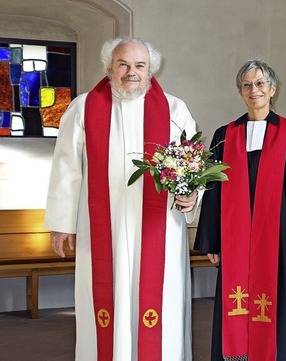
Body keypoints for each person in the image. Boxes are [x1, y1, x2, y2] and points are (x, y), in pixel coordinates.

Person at [45, 37, 199, 360]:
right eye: (123, 65)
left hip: (159, 230)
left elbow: (192, 164)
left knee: (160, 306)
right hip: (103, 229)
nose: (132, 72)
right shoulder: (83, 108)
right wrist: (61, 223)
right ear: (110, 67)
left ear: (150, 70)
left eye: (140, 66)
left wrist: (191, 195)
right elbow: (67, 168)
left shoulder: (174, 110)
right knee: (105, 305)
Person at [194, 59, 286, 361]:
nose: (253, 90)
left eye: (259, 83)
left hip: (279, 240)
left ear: (272, 89)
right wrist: (213, 240)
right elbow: (214, 190)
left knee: (281, 306)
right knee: (237, 303)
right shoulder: (225, 135)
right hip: (236, 240)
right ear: (240, 92)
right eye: (247, 85)